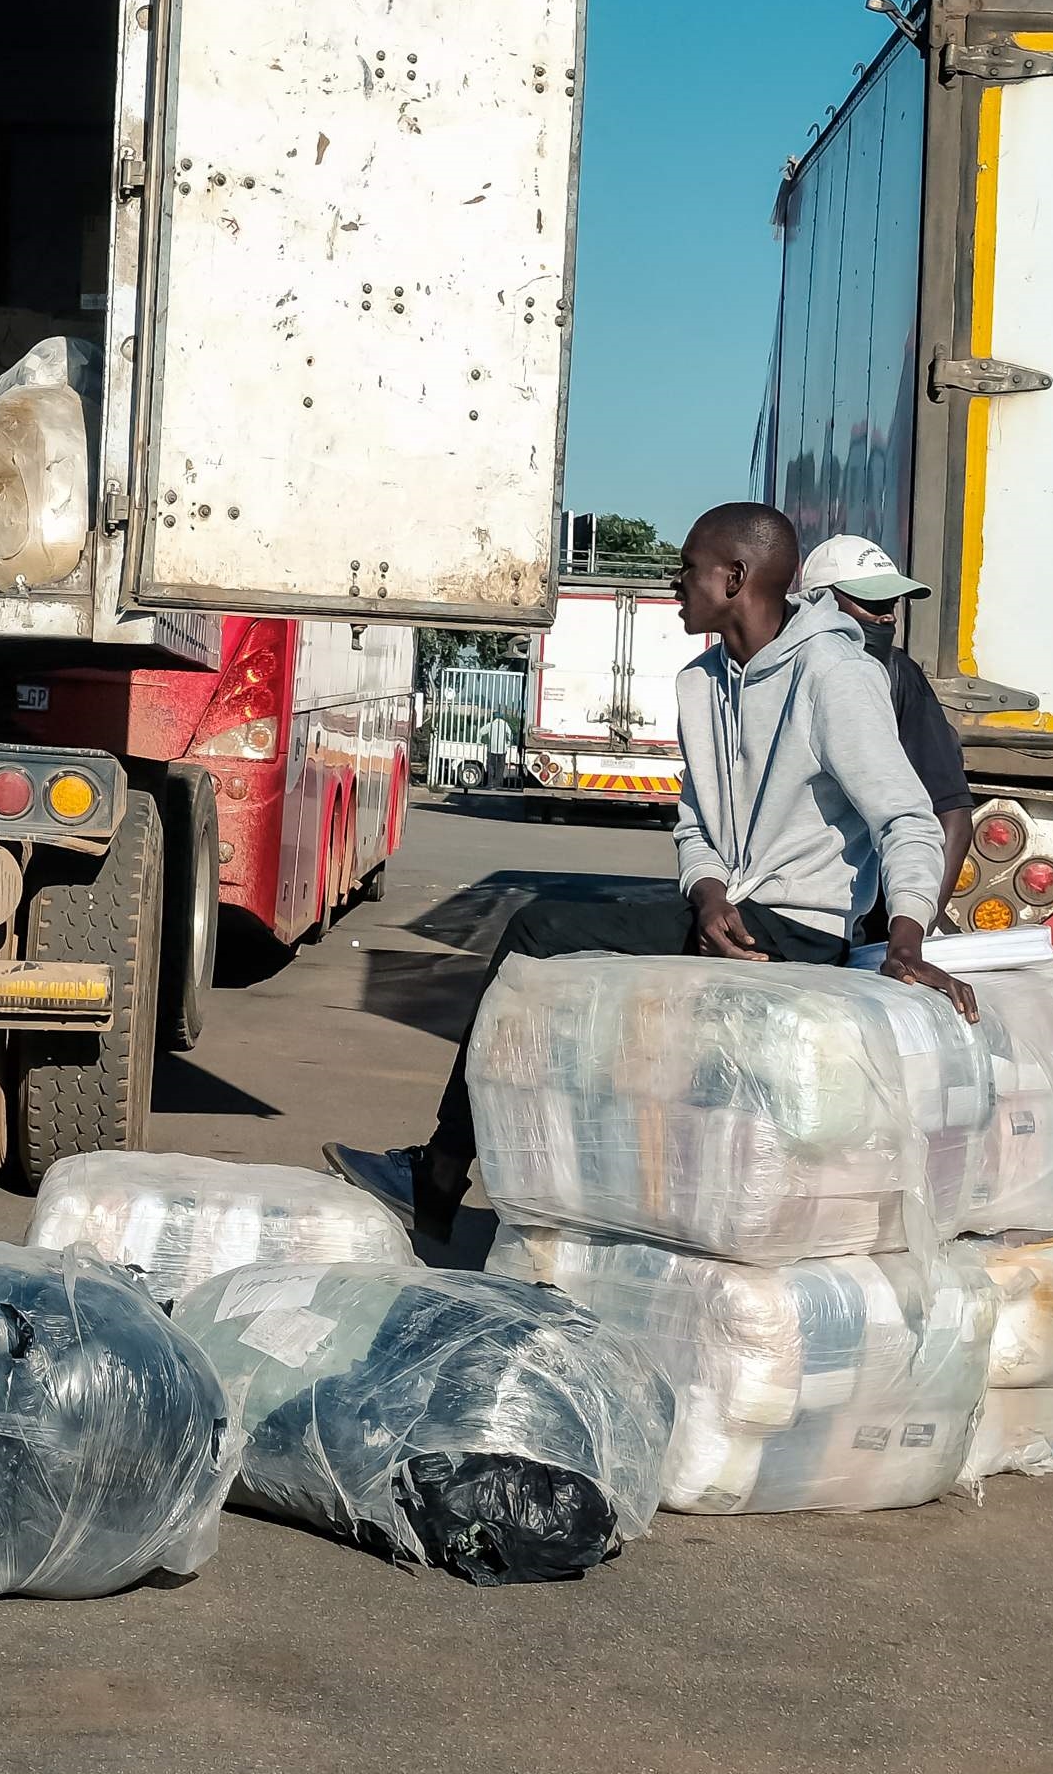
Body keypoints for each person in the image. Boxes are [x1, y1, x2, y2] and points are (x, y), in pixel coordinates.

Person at [327, 502, 967, 1241]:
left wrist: (909, 937)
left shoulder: (834, 674)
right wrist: (705, 890)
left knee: (539, 929)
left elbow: (910, 818)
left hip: (797, 929)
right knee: (577, 988)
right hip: (726, 914)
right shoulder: (701, 682)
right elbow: (694, 820)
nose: (675, 581)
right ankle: (552, 1190)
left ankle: (437, 1173)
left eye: (689, 567)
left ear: (735, 577)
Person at [798, 533, 975, 926]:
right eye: (872, 602)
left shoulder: (899, 677)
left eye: (891, 603)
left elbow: (951, 812)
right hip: (791, 914)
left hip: (877, 917)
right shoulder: (777, 675)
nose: (888, 616)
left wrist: (914, 927)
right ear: (818, 601)